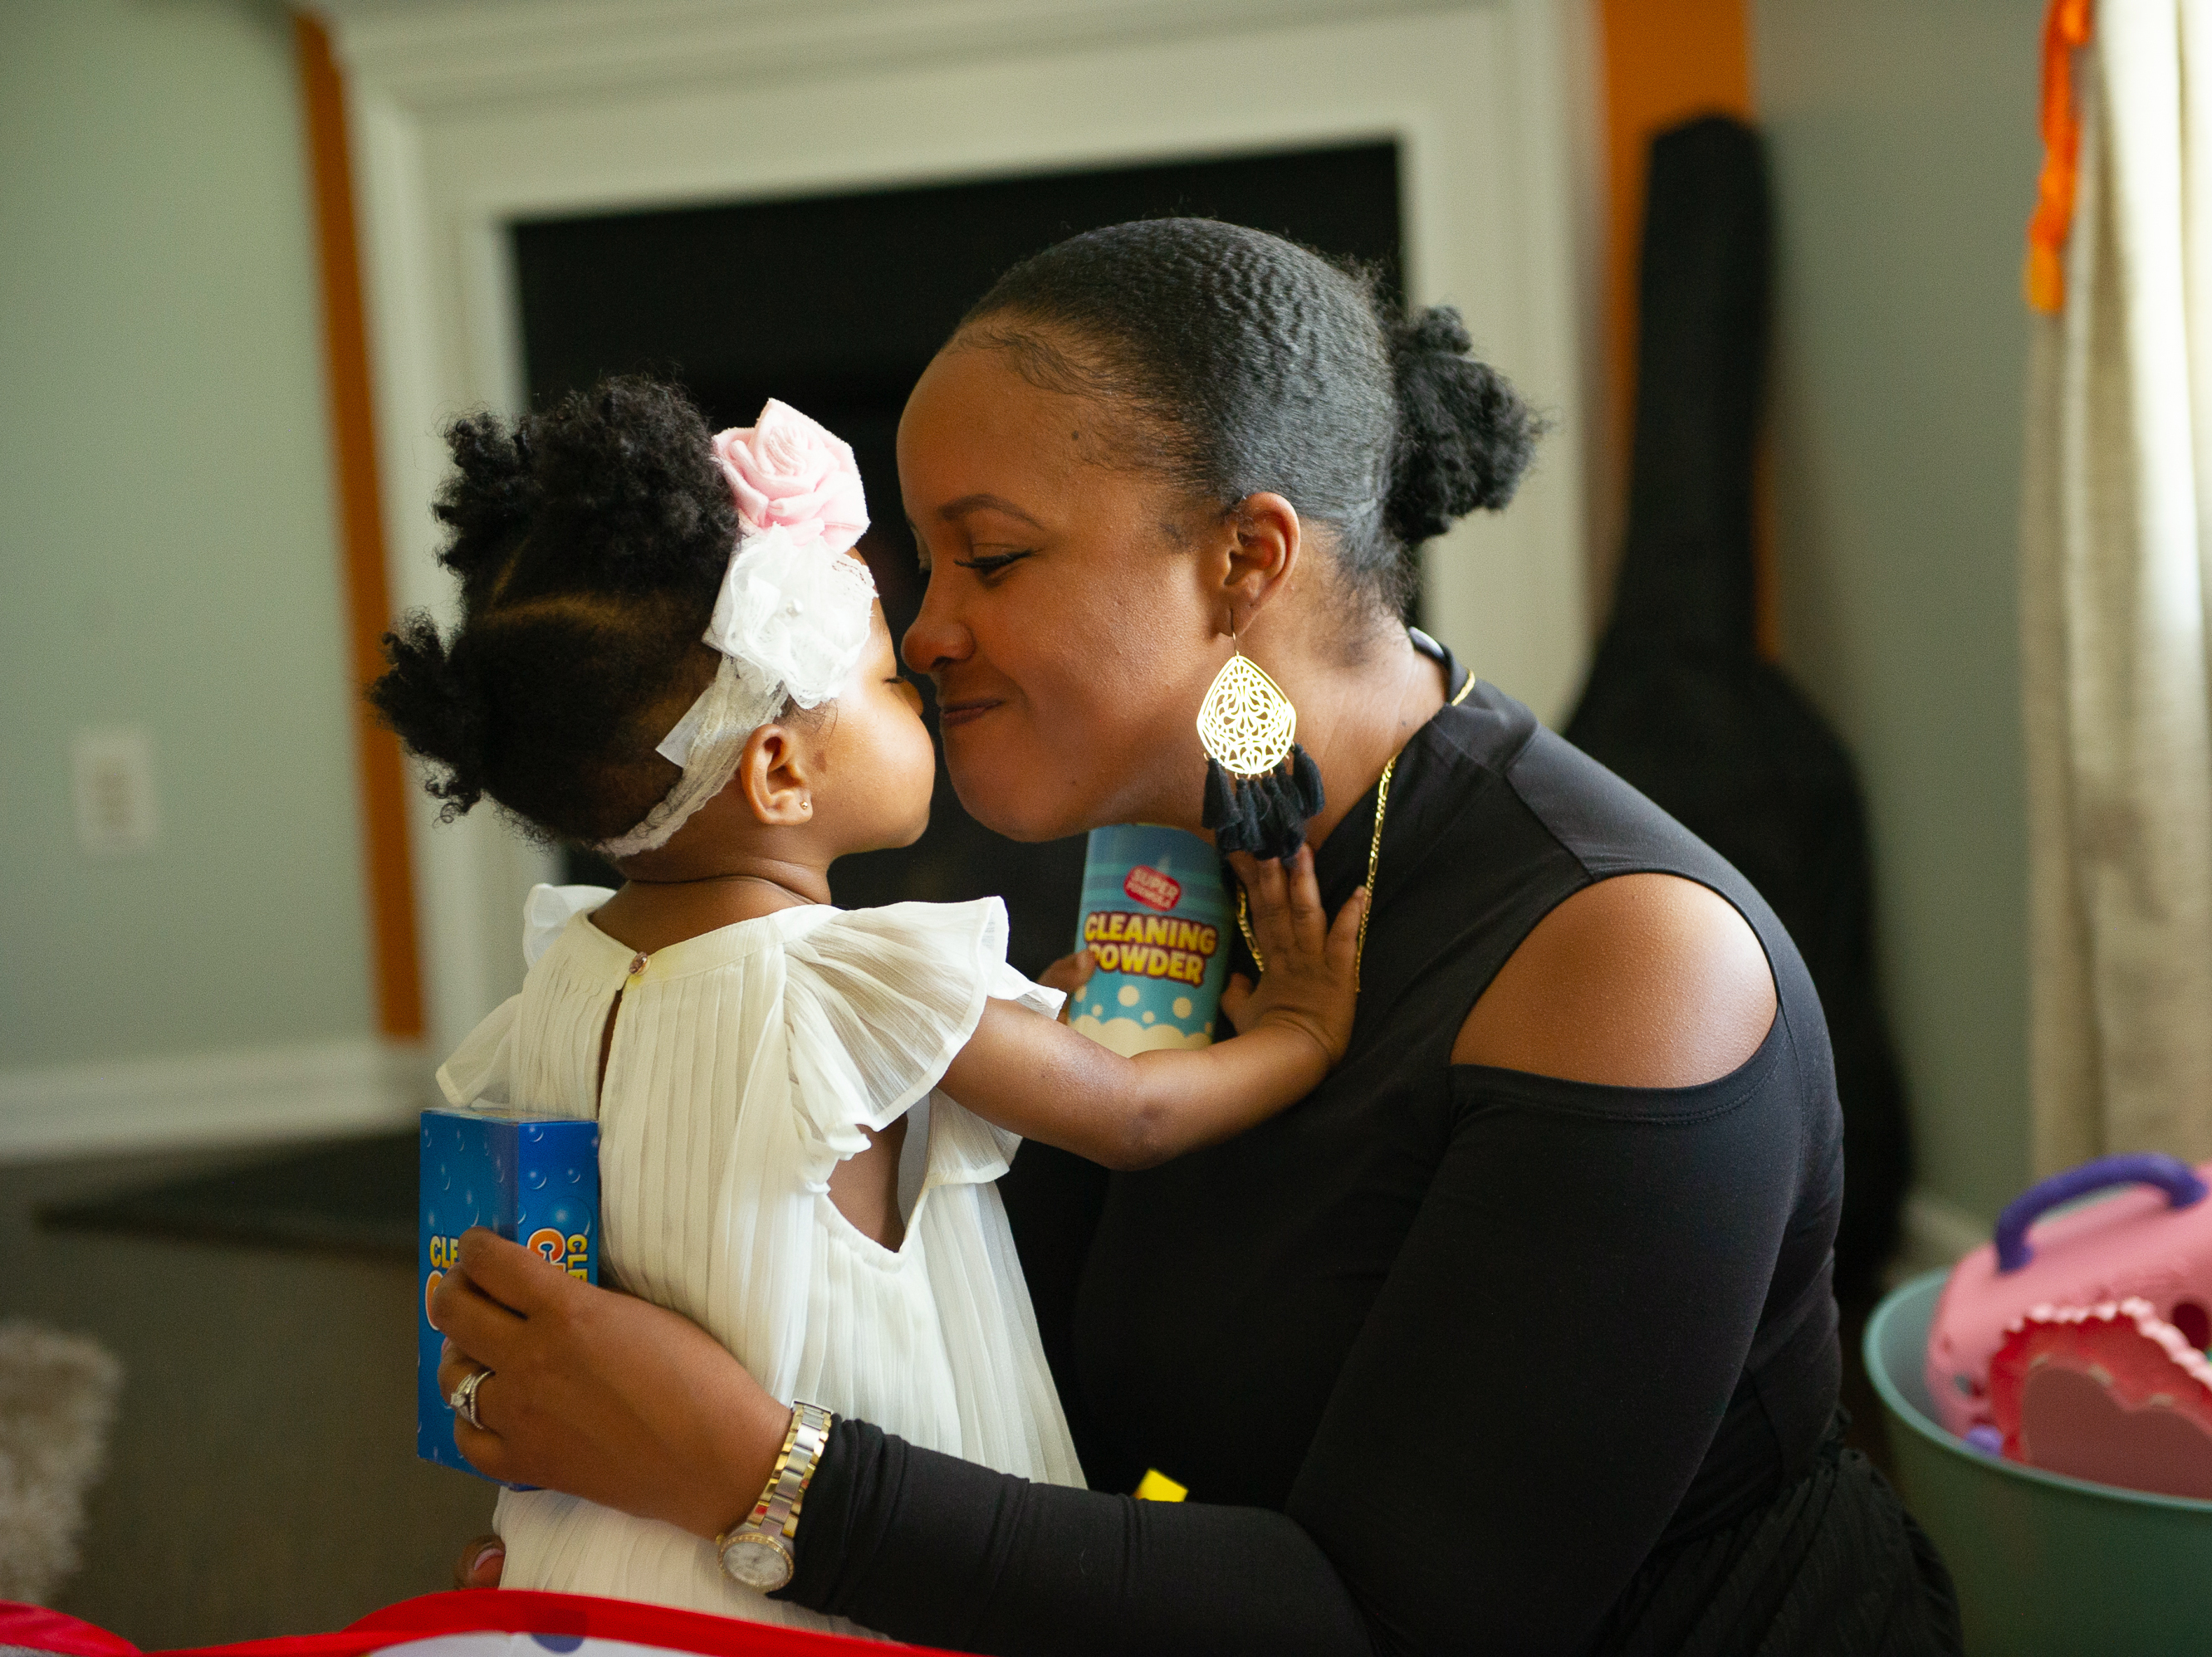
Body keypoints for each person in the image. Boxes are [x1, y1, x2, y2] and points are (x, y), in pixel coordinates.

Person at [433, 219, 1961, 1654]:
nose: (923, 629)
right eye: (920, 556)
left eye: (994, 555)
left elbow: (1398, 1625)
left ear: (1245, 558)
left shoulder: (1623, 963)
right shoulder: (1170, 855)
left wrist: (750, 1474)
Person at [376, 386, 1366, 1630]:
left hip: (605, 1562)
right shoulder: (852, 978)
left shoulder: (558, 975)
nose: (926, 694)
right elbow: (1131, 1117)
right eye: (892, 683)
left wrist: (1024, 1031)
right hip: (825, 1569)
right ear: (781, 769)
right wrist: (1304, 1032)